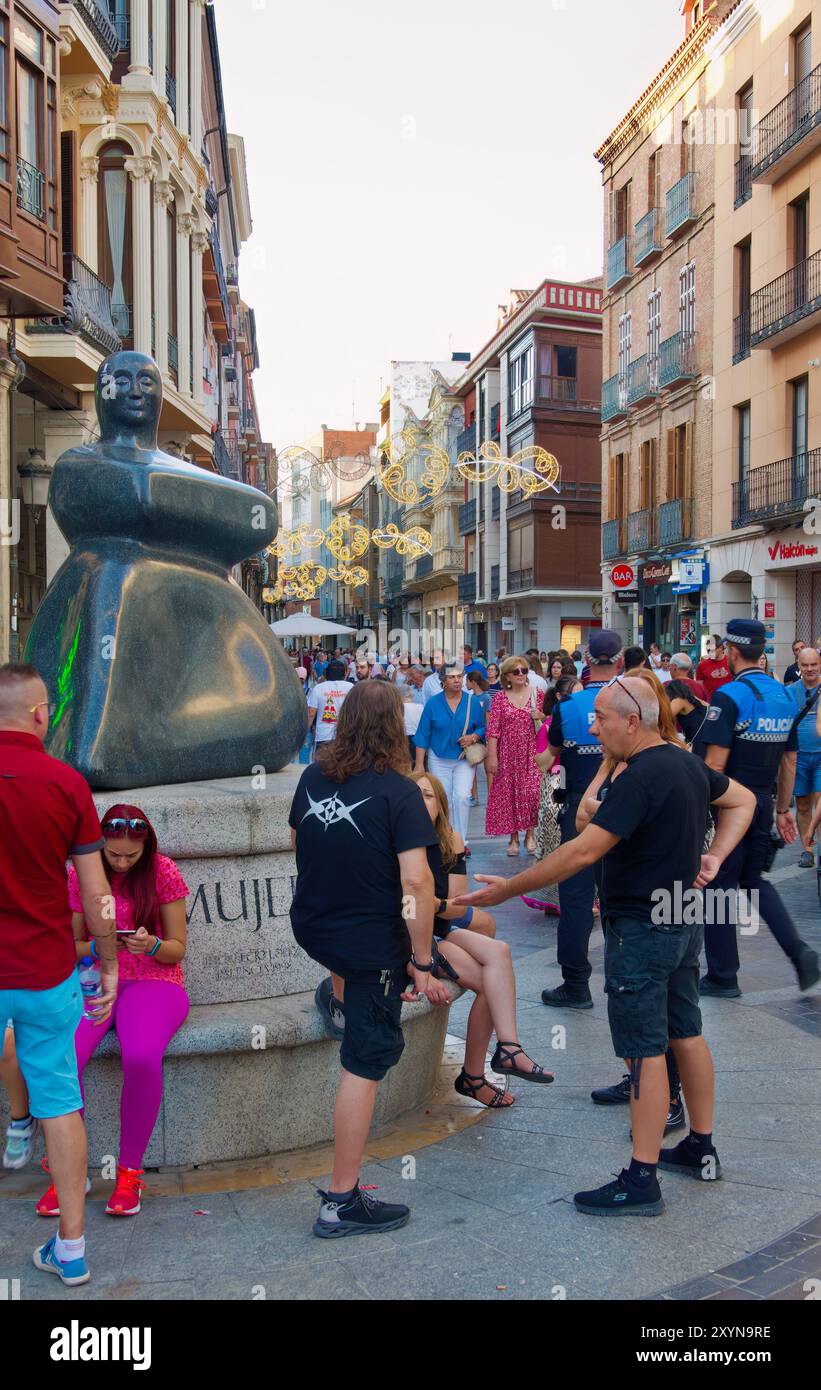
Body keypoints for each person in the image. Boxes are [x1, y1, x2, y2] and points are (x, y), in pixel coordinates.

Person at [456, 676, 756, 1216]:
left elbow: (579, 852)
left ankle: (641, 1179)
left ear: (631, 720)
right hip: (682, 914)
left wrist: (506, 888)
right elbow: (744, 800)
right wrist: (715, 857)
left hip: (642, 925)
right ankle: (700, 1148)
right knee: (685, 1032)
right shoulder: (683, 762)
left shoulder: (641, 777)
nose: (592, 727)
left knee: (644, 1050)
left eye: (600, 717)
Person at [289, 680, 451, 1237]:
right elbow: (414, 880)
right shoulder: (400, 793)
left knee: (357, 993)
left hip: (315, 928)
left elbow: (299, 843)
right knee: (365, 1061)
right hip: (369, 946)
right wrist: (423, 959)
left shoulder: (313, 776)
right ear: (396, 728)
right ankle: (341, 1200)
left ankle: (337, 996)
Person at [0, 663, 117, 1287]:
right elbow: (97, 893)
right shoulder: (67, 784)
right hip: (46, 970)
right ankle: (70, 1248)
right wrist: (108, 959)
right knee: (62, 1106)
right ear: (41, 713)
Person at [35, 806, 189, 1220]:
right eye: (113, 856)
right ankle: (69, 1174)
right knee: (64, 1056)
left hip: (155, 981)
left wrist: (151, 944)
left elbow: (177, 948)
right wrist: (105, 946)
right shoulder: (80, 873)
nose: (121, 863)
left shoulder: (163, 871)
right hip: (94, 979)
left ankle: (129, 1172)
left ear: (146, 847)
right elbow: (69, 946)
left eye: (130, 857)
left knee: (140, 1055)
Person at [409, 772, 551, 1105]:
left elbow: (455, 907)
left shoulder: (451, 840)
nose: (420, 803)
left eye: (428, 796)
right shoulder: (399, 844)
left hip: (441, 929)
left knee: (499, 951)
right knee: (491, 982)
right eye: (413, 797)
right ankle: (475, 1076)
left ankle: (508, 1047)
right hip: (414, 941)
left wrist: (433, 903)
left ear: (441, 805)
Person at [700, 618, 820, 996]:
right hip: (764, 804)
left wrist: (699, 809)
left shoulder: (730, 696)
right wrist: (782, 808)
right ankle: (799, 952)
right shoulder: (785, 695)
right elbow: (789, 760)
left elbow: (715, 767)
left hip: (730, 808)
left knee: (718, 886)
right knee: (753, 881)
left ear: (731, 651)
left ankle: (722, 976)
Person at [538, 630, 623, 1009]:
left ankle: (576, 985)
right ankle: (623, 980)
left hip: (579, 811)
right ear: (619, 660)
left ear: (586, 661)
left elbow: (549, 756)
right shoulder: (636, 701)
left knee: (574, 900)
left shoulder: (567, 706)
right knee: (621, 898)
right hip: (626, 809)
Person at [521, 675, 582, 915]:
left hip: (573, 780)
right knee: (555, 840)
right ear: (560, 697)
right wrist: (557, 747)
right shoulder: (551, 724)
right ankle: (554, 899)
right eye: (575, 694)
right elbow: (542, 762)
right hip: (557, 781)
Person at [413, 663, 485, 845]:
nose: (457, 680)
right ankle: (446, 837)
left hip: (464, 759)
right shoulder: (433, 704)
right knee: (444, 798)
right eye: (452, 677)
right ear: (442, 681)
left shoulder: (473, 702)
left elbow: (484, 726)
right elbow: (423, 734)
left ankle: (461, 841)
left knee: (461, 797)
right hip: (439, 758)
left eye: (459, 676)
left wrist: (474, 736)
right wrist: (420, 764)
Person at [484, 656, 542, 857]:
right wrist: (492, 756)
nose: (521, 675)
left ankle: (530, 834)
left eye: (524, 671)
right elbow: (493, 730)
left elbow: (550, 721)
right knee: (509, 795)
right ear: (507, 675)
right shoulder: (500, 698)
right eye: (516, 671)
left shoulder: (537, 694)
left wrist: (541, 716)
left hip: (532, 752)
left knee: (531, 793)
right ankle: (514, 837)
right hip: (507, 753)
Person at [784, 645, 821, 868]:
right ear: (798, 666)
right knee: (803, 804)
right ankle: (807, 848)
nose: (809, 669)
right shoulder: (789, 692)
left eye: (814, 664)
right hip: (798, 757)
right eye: (805, 665)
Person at [307, 659, 353, 752]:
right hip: (345, 736)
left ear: (326, 673)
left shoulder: (318, 688)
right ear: (344, 674)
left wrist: (305, 732)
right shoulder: (351, 687)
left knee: (321, 765)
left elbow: (311, 713)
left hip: (323, 736)